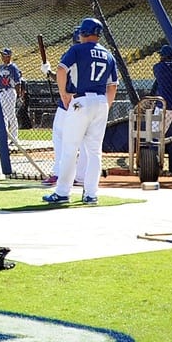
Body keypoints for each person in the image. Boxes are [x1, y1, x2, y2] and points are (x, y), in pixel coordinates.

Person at [46, 17, 118, 205]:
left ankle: (62, 192)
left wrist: (64, 94)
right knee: (94, 151)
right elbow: (112, 86)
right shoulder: (108, 55)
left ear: (84, 33)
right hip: (101, 101)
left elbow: (61, 70)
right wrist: (105, 106)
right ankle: (91, 194)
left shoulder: (76, 49)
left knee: (70, 148)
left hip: (81, 100)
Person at [0, 47, 23, 138]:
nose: (2, 57)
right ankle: (4, 137)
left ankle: (14, 138)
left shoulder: (13, 67)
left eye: (4, 55)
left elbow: (18, 82)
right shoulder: (1, 67)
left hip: (10, 91)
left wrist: (19, 96)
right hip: (1, 92)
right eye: (2, 55)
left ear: (9, 56)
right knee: (3, 116)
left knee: (11, 115)